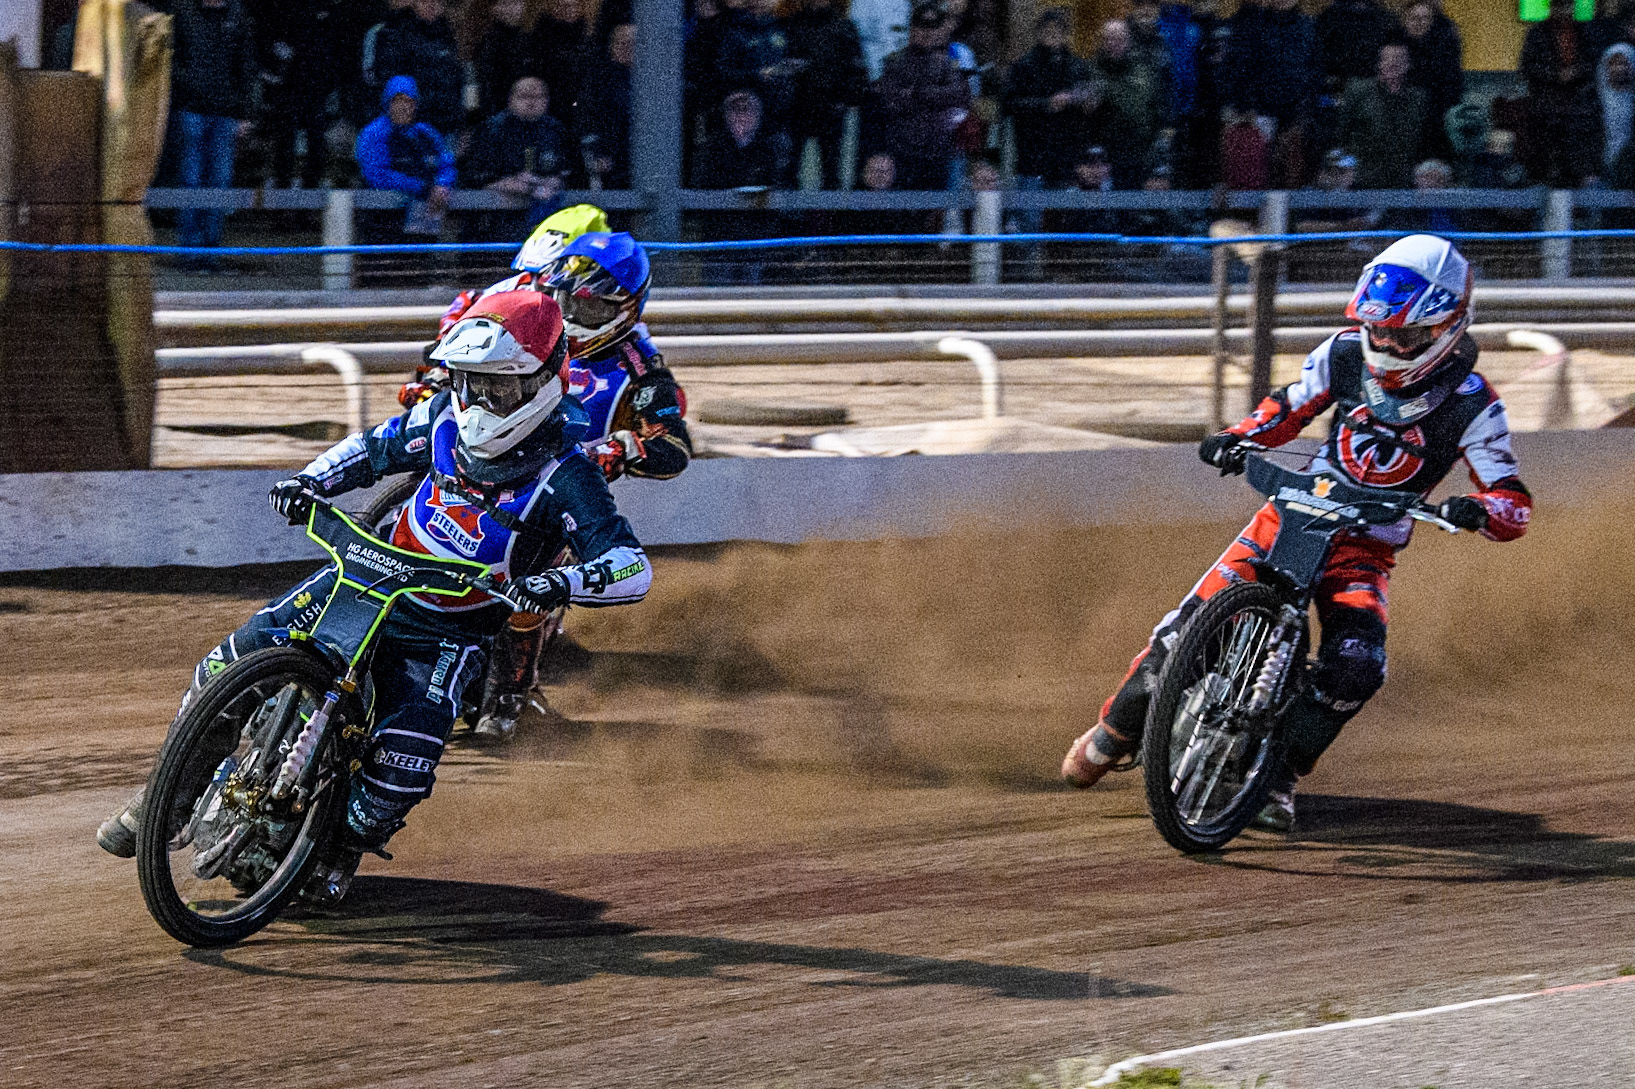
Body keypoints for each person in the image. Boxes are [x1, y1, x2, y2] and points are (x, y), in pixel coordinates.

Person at [98, 291, 654, 905]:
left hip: (449, 625)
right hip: (368, 574)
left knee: (399, 770)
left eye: (498, 388)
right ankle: (165, 799)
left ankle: (337, 849)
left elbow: (630, 566)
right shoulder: (441, 417)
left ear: (544, 381)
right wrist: (311, 481)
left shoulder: (568, 472)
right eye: (468, 383)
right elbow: (372, 447)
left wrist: (560, 582)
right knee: (225, 666)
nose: (476, 403)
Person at [1061, 235, 1532, 833]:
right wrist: (1241, 437)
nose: (1385, 344)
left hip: (1362, 550)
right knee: (1181, 638)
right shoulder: (1342, 354)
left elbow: (1512, 500)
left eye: (1404, 336)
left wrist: (1480, 511)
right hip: (1292, 514)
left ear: (1448, 327)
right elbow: (1291, 406)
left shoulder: (1477, 406)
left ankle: (1279, 772)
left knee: (1357, 665)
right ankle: (1112, 734)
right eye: (1375, 328)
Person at [418, 222, 692, 741]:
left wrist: (624, 446)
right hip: (476, 448)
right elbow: (465, 320)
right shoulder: (529, 312)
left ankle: (511, 697)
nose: (571, 315)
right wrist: (429, 377)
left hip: (551, 486)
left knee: (533, 581)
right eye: (566, 298)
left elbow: (675, 447)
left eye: (589, 309)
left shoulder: (640, 370)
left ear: (627, 311)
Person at [166, 0, 259, 263]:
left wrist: (245, 113)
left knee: (219, 182)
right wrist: (190, 87)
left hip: (225, 113)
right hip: (192, 109)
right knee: (191, 180)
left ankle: (211, 249)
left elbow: (246, 66)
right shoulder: (184, 13)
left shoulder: (237, 16)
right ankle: (190, 250)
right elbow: (171, 59)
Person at [870, 2, 970, 190]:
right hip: (903, 147)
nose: (927, 33)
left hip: (937, 148)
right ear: (913, 29)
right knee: (902, 206)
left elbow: (956, 96)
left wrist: (918, 93)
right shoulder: (895, 62)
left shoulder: (947, 64)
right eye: (922, 27)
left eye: (932, 28)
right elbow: (892, 101)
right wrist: (933, 96)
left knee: (934, 208)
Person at [355, 75, 456, 255]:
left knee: (419, 265)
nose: (404, 107)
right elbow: (377, 174)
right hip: (383, 221)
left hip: (423, 220)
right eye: (397, 101)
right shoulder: (373, 133)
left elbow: (446, 163)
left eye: (409, 101)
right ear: (387, 103)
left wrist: (443, 184)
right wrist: (422, 187)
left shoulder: (426, 133)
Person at [460, 77, 569, 242]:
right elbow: (474, 174)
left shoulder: (555, 130)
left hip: (545, 207)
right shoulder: (492, 129)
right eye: (524, 97)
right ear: (511, 99)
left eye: (538, 97)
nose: (531, 103)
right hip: (495, 214)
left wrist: (553, 181)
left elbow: (567, 170)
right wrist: (506, 183)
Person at [1004, 8, 1100, 190]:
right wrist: (1046, 104)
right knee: (1031, 214)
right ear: (1039, 32)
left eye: (1058, 30)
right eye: (1048, 30)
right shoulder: (1023, 67)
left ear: (1066, 34)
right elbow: (1010, 104)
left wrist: (1089, 105)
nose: (1053, 34)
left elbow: (1090, 106)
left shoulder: (1079, 66)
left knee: (1065, 214)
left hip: (1069, 158)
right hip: (1033, 155)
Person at [786, 0, 869, 190]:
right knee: (790, 169)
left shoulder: (844, 26)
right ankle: (790, 217)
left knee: (831, 171)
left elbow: (856, 68)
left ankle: (828, 218)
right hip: (798, 108)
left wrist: (845, 100)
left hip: (831, 109)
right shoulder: (793, 24)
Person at [1338, 42, 1427, 189]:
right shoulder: (1359, 92)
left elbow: (1423, 140)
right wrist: (1347, 167)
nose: (1392, 63)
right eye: (1387, 58)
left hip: (1403, 176)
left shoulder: (1419, 98)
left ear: (1408, 65)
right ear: (1379, 63)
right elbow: (1342, 134)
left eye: (1398, 59)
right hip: (1362, 175)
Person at [374, 0, 465, 138]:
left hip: (447, 125)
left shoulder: (448, 34)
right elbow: (391, 82)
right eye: (424, 1)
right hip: (411, 126)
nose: (432, 5)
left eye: (438, 2)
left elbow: (456, 80)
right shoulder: (395, 33)